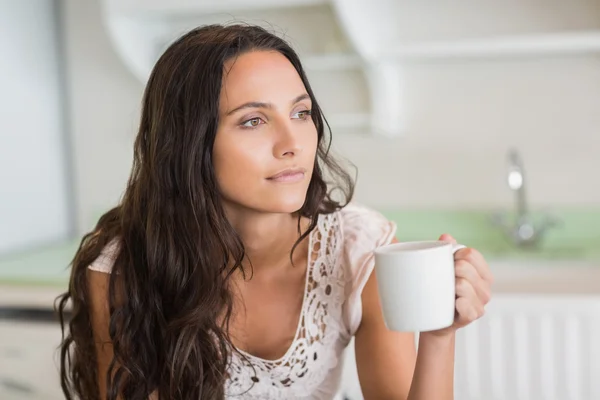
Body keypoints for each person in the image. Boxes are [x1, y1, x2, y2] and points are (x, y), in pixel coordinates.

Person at [56, 24, 493, 400]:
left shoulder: (358, 249)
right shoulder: (127, 263)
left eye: (301, 113)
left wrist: (439, 335)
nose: (293, 144)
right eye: (253, 121)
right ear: (189, 144)